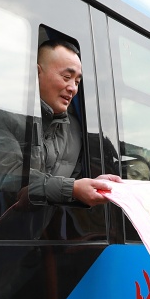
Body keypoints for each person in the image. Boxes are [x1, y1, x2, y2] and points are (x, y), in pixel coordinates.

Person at [30, 39, 119, 207]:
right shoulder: (8, 114)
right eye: (66, 77)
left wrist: (94, 186)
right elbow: (10, 179)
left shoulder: (75, 131)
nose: (73, 88)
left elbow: (74, 184)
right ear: (36, 73)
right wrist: (72, 189)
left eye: (77, 82)